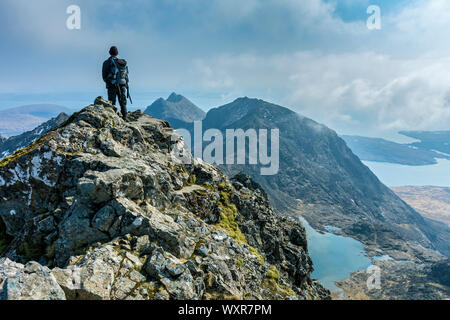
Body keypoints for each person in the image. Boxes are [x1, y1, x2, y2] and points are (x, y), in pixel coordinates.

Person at [102, 46, 129, 118]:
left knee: (112, 103)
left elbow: (104, 76)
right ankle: (125, 117)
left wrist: (108, 82)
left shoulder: (107, 62)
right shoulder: (123, 62)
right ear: (117, 53)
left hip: (112, 85)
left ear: (109, 53)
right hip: (123, 84)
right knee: (122, 102)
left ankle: (113, 118)